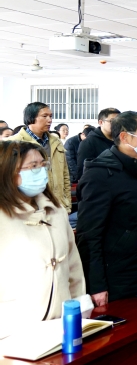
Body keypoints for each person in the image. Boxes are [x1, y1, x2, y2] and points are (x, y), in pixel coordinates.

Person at [76, 111, 137, 305]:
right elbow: (89, 236)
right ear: (125, 137)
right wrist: (96, 285)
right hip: (119, 278)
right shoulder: (100, 175)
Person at [0, 141, 85, 339]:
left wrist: (78, 304)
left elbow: (73, 264)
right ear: (7, 172)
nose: (40, 171)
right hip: (13, 327)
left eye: (42, 164)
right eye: (32, 166)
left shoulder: (55, 210)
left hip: (61, 321)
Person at [8, 102, 72, 213]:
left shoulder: (56, 142)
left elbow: (65, 175)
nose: (50, 120)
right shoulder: (14, 143)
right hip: (28, 208)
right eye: (44, 116)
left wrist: (67, 204)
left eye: (51, 116)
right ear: (31, 118)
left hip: (58, 205)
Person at [76, 108, 120, 181]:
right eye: (112, 121)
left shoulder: (121, 140)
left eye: (119, 121)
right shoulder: (89, 142)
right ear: (101, 122)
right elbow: (82, 170)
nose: (117, 124)